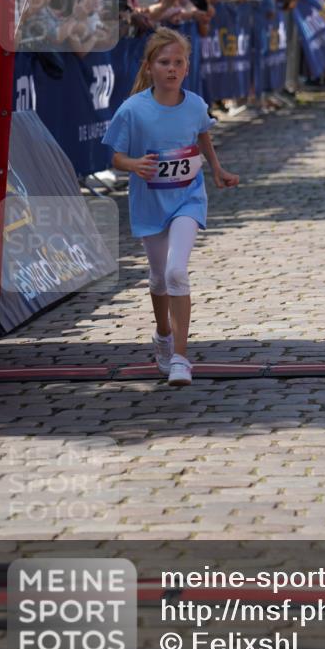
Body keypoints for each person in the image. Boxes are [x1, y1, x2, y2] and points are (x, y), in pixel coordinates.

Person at [102, 28, 239, 386]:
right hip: (149, 203)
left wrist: (217, 169)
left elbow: (202, 134)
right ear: (149, 67)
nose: (172, 69)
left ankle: (180, 357)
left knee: (177, 271)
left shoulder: (194, 103)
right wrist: (133, 165)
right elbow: (115, 155)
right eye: (164, 62)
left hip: (187, 199)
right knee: (159, 276)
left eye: (179, 62)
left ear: (187, 67)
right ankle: (163, 334)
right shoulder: (133, 110)